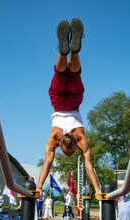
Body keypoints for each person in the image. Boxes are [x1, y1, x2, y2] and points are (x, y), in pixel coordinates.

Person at [36, 18, 101, 197]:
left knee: (73, 74)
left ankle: (71, 51)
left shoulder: (80, 138)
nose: (70, 154)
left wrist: (97, 188)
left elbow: (88, 164)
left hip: (73, 103)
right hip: (58, 104)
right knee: (60, 74)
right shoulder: (53, 139)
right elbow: (47, 164)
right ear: (62, 144)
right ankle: (64, 53)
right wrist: (39, 186)